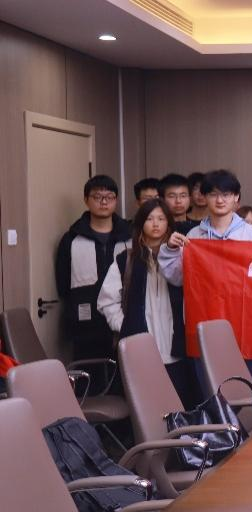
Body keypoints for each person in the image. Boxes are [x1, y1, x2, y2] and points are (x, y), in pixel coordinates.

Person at [96, 199, 198, 408]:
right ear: (141, 223)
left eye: (161, 218)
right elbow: (106, 301)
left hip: (176, 349)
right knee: (146, 407)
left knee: (180, 405)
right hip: (140, 348)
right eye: (150, 219)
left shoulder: (182, 256)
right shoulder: (127, 259)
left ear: (169, 223)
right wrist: (125, 326)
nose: (156, 224)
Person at [56, 175, 131, 361]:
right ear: (86, 200)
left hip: (123, 317)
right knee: (88, 370)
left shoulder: (129, 236)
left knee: (124, 370)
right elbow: (63, 282)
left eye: (109, 197)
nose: (104, 202)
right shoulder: (71, 239)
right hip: (85, 323)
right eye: (97, 197)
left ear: (116, 200)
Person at [159, 170, 252, 287]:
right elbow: (177, 277)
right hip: (203, 298)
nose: (219, 200)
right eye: (213, 194)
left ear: (236, 197)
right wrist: (171, 250)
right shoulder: (194, 235)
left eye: (226, 195)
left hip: (240, 298)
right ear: (205, 197)